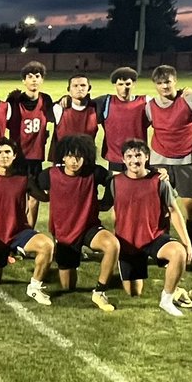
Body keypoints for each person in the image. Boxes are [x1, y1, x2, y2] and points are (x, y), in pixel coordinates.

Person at [30, 134, 119, 312]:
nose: (74, 161)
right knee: (68, 287)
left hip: (89, 228)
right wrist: (46, 198)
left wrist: (107, 202)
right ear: (63, 157)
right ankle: (63, 267)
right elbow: (31, 186)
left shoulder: (94, 172)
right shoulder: (50, 175)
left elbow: (113, 180)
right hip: (64, 235)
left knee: (112, 245)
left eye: (79, 157)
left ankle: (100, 292)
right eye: (70, 156)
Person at [112, 139, 192, 317]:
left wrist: (187, 243)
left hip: (154, 237)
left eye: (139, 155)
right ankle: (171, 284)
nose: (134, 160)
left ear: (147, 157)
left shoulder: (159, 181)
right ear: (123, 160)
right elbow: (111, 208)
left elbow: (174, 211)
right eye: (130, 156)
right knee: (134, 293)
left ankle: (167, 299)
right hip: (128, 242)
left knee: (178, 252)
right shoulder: (115, 182)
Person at [147, 65, 192, 275]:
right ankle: (167, 254)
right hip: (160, 161)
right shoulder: (150, 105)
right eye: (160, 83)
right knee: (163, 210)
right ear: (155, 86)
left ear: (175, 81)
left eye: (167, 81)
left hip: (188, 161)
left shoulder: (189, 98)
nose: (164, 86)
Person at [0, 138, 53, 305]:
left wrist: (56, 181)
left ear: (15, 155)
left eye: (8, 152)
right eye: (0, 152)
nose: (4, 156)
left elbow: (44, 197)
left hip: (19, 232)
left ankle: (34, 287)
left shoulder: (24, 179)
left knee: (47, 245)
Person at [7, 62, 54, 226]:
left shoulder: (46, 100)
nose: (34, 80)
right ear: (23, 81)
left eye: (37, 76)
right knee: (18, 198)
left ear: (42, 80)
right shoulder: (14, 101)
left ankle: (30, 230)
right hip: (17, 157)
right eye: (30, 77)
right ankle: (16, 230)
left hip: (36, 157)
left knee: (34, 197)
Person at [91, 67, 150, 173]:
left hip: (138, 156)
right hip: (115, 158)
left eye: (127, 84)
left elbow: (165, 107)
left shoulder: (145, 102)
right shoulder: (105, 102)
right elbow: (81, 105)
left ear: (133, 84)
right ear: (115, 85)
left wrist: (181, 93)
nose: (124, 88)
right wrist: (64, 99)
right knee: (117, 187)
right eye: (120, 84)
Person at [49, 74, 98, 163]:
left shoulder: (96, 108)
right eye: (75, 86)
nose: (79, 89)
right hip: (63, 160)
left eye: (83, 85)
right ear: (69, 89)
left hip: (87, 159)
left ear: (89, 88)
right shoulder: (58, 108)